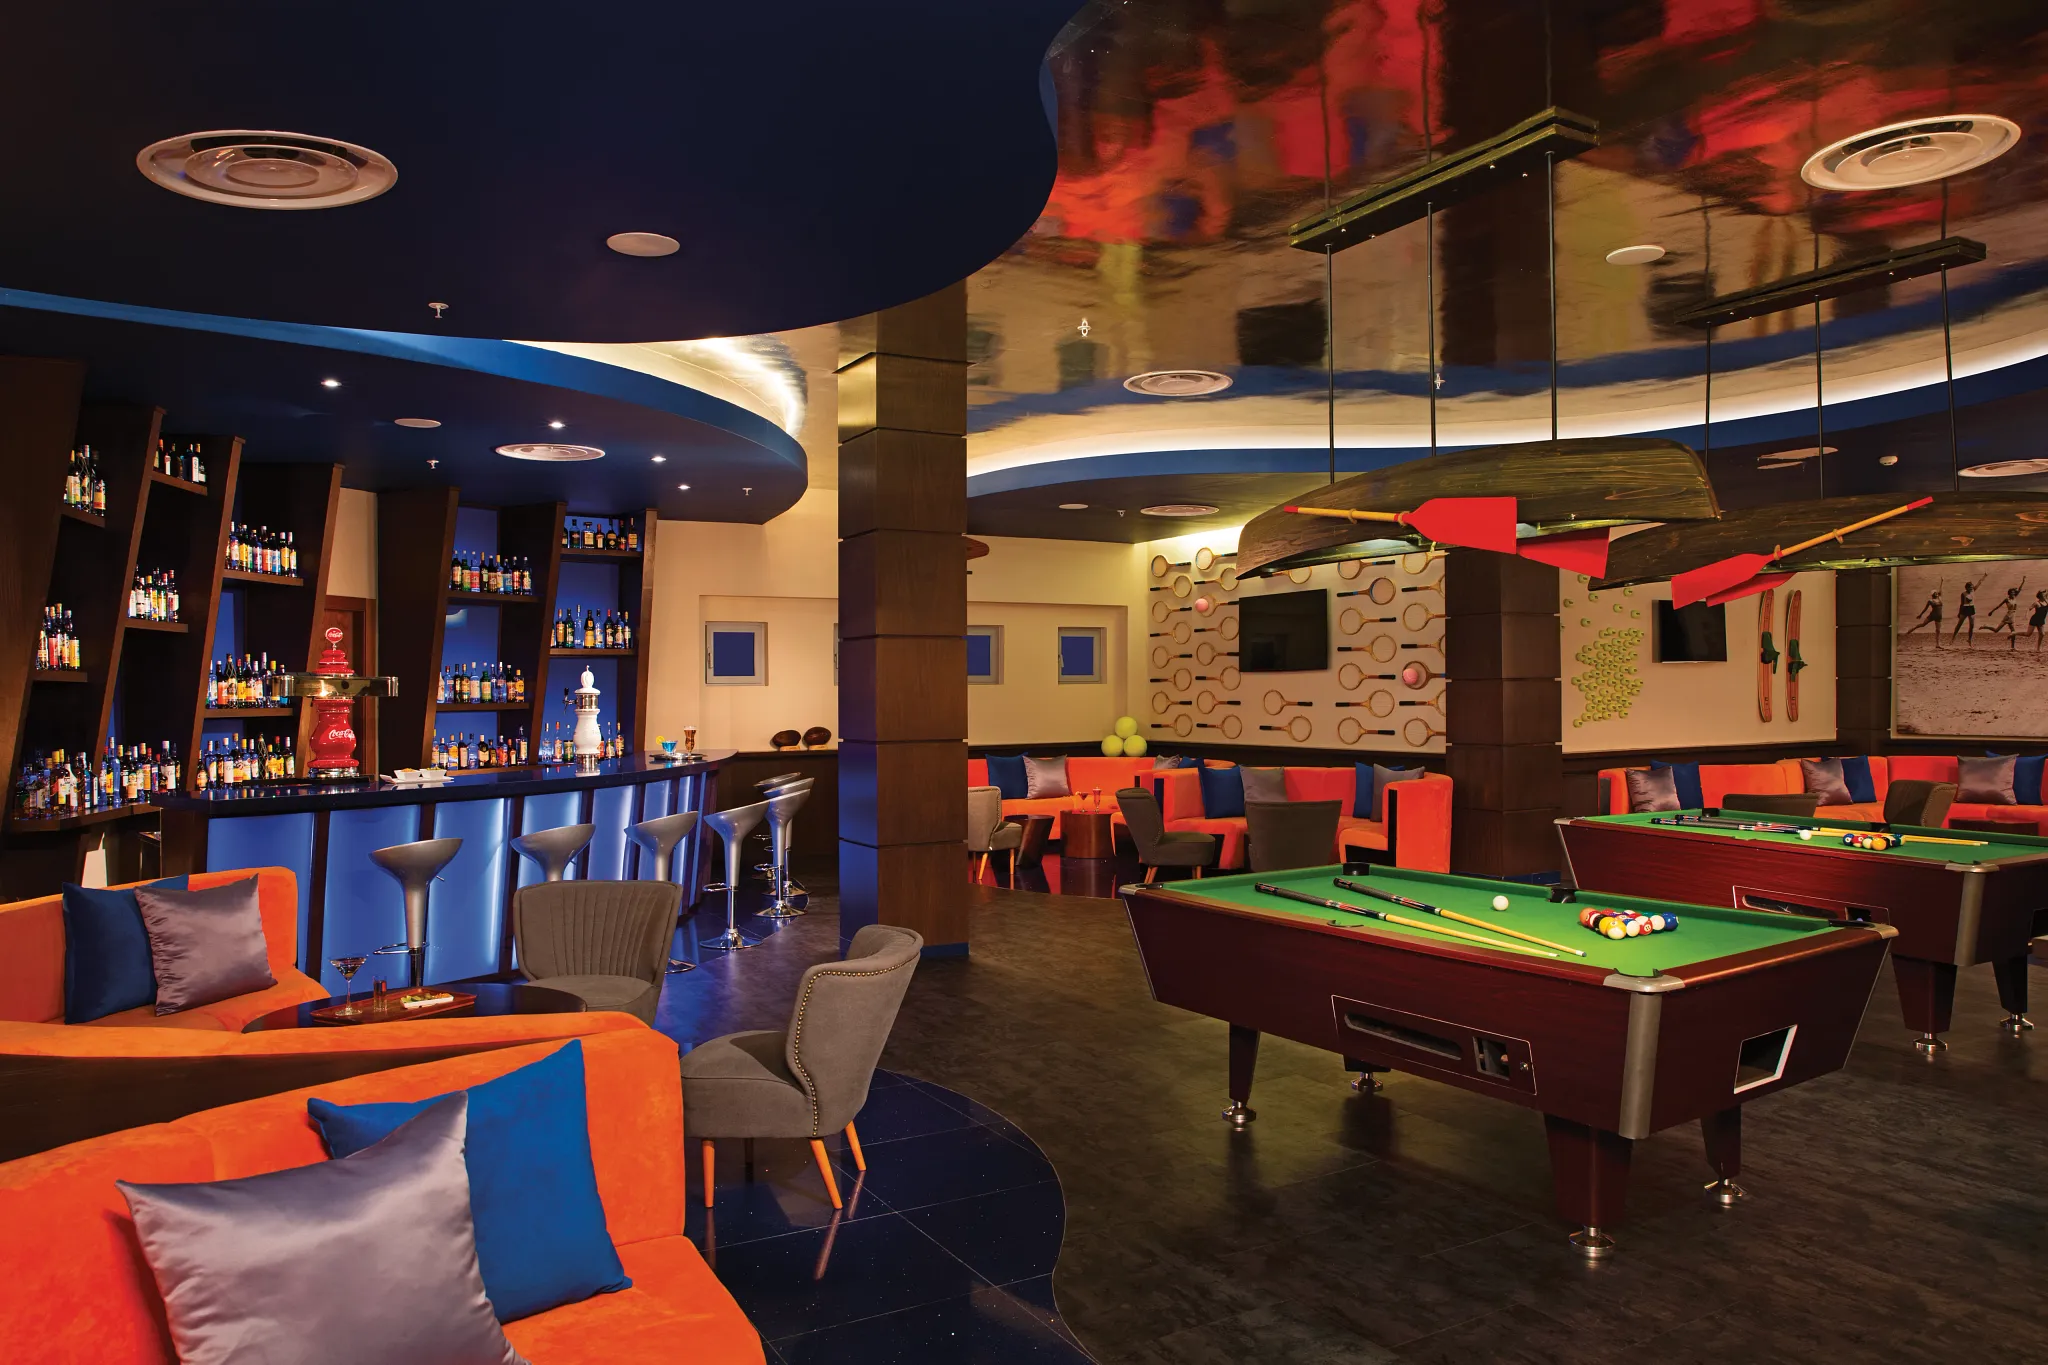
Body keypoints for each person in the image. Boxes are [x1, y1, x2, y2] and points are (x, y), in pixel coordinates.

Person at [1990, 578, 2028, 647]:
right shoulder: (2007, 599)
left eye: (2013, 592)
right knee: (1996, 630)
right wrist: (1992, 611)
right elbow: (1999, 606)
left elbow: (2019, 589)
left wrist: (2023, 581)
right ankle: (1985, 626)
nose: (2013, 593)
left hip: (2012, 616)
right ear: (2009, 593)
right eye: (2011, 592)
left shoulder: (2015, 597)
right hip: (2007, 616)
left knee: (2013, 632)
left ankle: (2012, 647)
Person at [1950, 580, 1979, 647]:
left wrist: (1984, 576)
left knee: (1972, 625)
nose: (1971, 588)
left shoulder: (1973, 591)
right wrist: (1959, 613)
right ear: (1966, 588)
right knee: (1959, 624)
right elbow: (1962, 604)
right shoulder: (1963, 594)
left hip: (1971, 608)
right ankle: (1953, 638)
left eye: (1972, 587)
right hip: (1965, 608)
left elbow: (1979, 583)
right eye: (1970, 587)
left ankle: (1969, 640)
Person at [2027, 590, 2048, 656]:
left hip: (2041, 620)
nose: (2044, 596)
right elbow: (2029, 609)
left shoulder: (2046, 602)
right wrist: (2026, 615)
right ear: (2040, 596)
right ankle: (2014, 633)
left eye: (2045, 595)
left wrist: (2045, 599)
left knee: (2042, 634)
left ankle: (2038, 649)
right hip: (2035, 619)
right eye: (2043, 595)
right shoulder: (2036, 603)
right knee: (2028, 634)